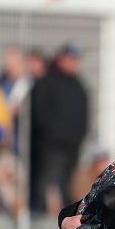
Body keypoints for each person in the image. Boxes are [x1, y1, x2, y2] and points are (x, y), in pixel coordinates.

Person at [30, 44, 88, 215]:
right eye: (70, 59)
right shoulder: (46, 82)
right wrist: (53, 134)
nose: (73, 63)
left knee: (67, 188)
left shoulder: (78, 84)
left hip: (72, 146)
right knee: (47, 187)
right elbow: (40, 113)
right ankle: (41, 227)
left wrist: (79, 136)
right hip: (51, 147)